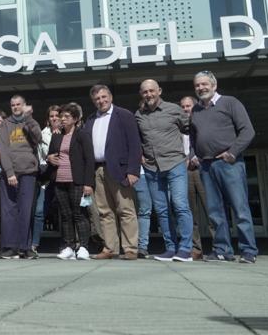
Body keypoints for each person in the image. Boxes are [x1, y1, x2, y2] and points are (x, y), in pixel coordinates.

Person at [190, 71, 257, 263]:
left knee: (240, 208)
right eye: (197, 85)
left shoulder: (230, 103)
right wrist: (194, 155)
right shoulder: (195, 110)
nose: (201, 88)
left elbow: (247, 131)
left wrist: (232, 152)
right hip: (206, 166)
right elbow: (193, 137)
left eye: (204, 84)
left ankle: (248, 250)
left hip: (229, 164)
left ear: (214, 85)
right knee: (214, 211)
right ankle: (222, 250)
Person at [135, 79, 193, 262]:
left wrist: (193, 154)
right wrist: (139, 154)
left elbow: (192, 130)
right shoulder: (139, 115)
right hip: (152, 168)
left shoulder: (174, 109)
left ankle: (185, 249)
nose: (149, 94)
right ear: (141, 94)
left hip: (175, 163)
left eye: (152, 90)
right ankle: (170, 248)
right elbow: (136, 138)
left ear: (159, 91)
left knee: (180, 205)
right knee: (161, 210)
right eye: (145, 92)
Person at [86, 84, 141, 260]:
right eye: (97, 99)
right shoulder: (91, 119)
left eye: (103, 97)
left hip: (120, 170)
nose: (101, 101)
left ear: (110, 97)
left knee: (125, 209)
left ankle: (130, 248)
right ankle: (110, 248)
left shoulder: (124, 115)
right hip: (98, 170)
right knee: (104, 212)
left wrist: (133, 171)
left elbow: (135, 144)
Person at [0, 95, 42, 259]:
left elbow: (38, 138)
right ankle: (10, 247)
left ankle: (25, 247)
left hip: (28, 171)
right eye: (13, 105)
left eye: (18, 104)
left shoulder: (30, 122)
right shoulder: (5, 125)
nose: (15, 107)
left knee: (26, 210)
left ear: (25, 105)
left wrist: (29, 118)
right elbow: (3, 149)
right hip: (11, 173)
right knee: (9, 211)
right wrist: (9, 172)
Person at [46, 103, 93, 260]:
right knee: (65, 215)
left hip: (77, 180)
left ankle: (84, 247)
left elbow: (89, 160)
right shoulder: (57, 135)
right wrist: (49, 158)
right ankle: (69, 246)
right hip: (60, 180)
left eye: (67, 117)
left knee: (79, 214)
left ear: (75, 119)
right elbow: (51, 155)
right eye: (62, 116)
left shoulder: (82, 135)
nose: (63, 119)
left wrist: (88, 183)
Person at [181, 95, 210, 260]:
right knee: (190, 212)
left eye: (188, 106)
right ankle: (196, 248)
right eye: (183, 107)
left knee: (210, 208)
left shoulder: (201, 123)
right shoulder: (178, 127)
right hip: (185, 171)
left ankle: (220, 246)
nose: (185, 109)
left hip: (202, 169)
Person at [31, 106, 61, 258]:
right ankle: (34, 244)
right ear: (48, 119)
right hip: (47, 177)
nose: (54, 118)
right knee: (39, 211)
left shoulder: (68, 132)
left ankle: (68, 244)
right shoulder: (42, 134)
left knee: (65, 212)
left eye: (57, 115)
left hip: (63, 175)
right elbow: (40, 156)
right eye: (51, 116)